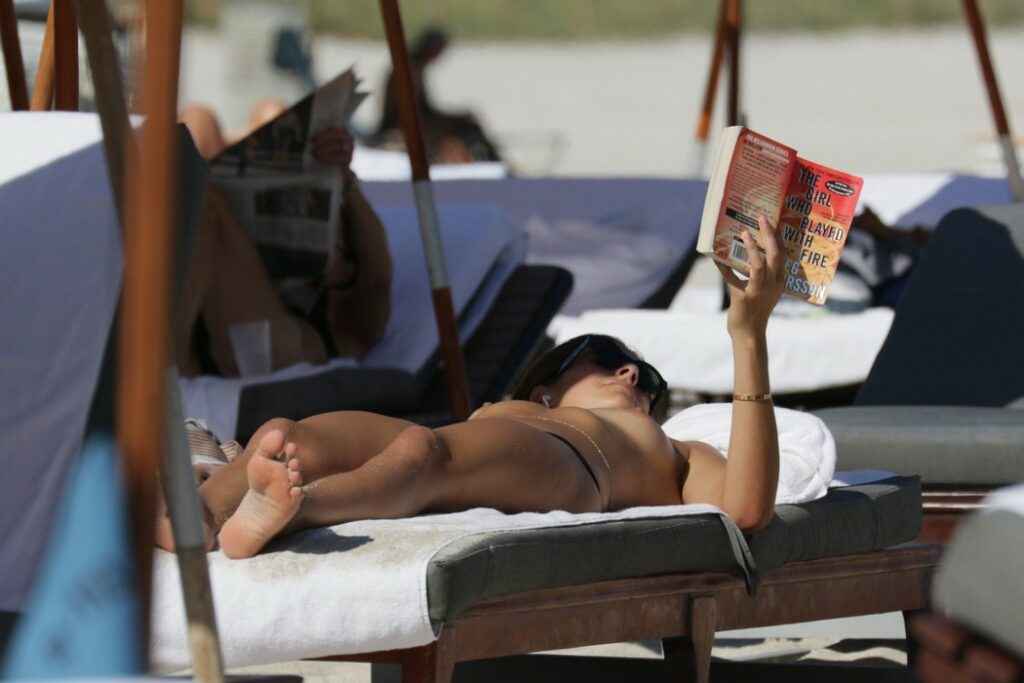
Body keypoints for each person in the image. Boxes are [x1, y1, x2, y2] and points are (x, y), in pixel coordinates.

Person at [157, 216, 784, 558]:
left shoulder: (675, 450)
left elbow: (747, 510)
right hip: (461, 450)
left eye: (646, 381)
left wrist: (748, 334)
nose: (629, 374)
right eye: (604, 360)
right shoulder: (510, 410)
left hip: (570, 470)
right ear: (542, 391)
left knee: (421, 453)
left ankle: (292, 509)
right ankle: (201, 514)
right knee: (287, 435)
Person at [177, 112, 393, 377]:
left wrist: (345, 179)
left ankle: (164, 360)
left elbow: (378, 275)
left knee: (203, 198)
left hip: (265, 348)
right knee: (204, 121)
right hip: (232, 300)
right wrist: (339, 166)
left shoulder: (354, 323)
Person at [374, 26, 501, 164]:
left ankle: (491, 161)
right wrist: (452, 119)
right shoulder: (408, 69)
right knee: (469, 127)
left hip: (412, 121)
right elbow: (410, 113)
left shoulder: (414, 66)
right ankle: (495, 162)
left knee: (467, 124)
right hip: (399, 126)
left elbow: (423, 109)